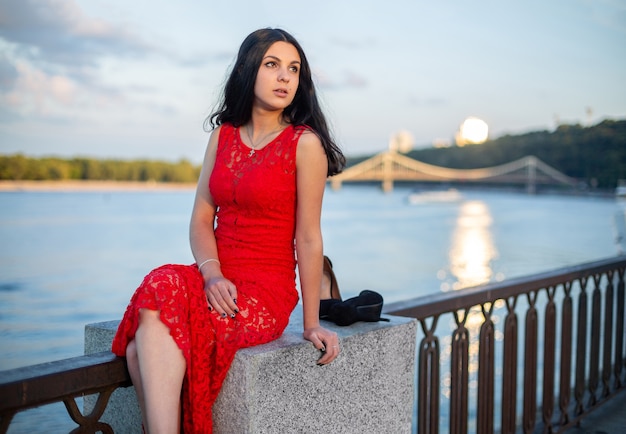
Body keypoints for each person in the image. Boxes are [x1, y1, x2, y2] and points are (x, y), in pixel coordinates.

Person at [111, 27, 346, 433]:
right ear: (248, 70)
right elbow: (201, 218)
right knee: (156, 294)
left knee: (145, 340)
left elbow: (308, 237)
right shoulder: (222, 137)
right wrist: (212, 273)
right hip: (216, 279)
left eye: (293, 69)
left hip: (263, 295)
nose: (285, 77)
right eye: (272, 65)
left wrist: (311, 323)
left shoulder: (304, 144)